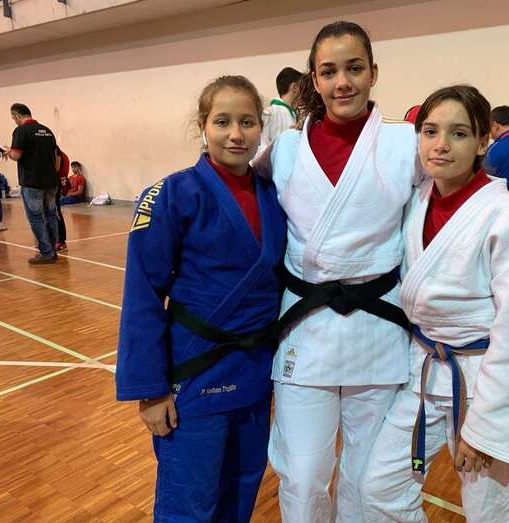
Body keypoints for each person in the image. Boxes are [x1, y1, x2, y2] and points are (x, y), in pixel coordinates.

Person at [360, 85, 509, 522]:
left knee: (487, 511)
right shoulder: (417, 200)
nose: (441, 144)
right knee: (380, 489)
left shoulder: (507, 217)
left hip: (480, 379)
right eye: (430, 131)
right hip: (423, 369)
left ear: (483, 142)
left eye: (458, 133)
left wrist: (488, 428)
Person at [255, 21, 418, 522]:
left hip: (378, 325)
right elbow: (238, 193)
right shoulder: (285, 149)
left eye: (354, 68)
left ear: (373, 72)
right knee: (303, 474)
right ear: (314, 79)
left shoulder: (405, 143)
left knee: (366, 475)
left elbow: (448, 201)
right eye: (329, 71)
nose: (342, 82)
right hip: (306, 326)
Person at [116, 75, 287, 522]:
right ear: (203, 125)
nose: (236, 134)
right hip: (194, 375)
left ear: (261, 126)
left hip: (254, 374)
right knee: (189, 504)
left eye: (247, 122)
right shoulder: (171, 194)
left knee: (241, 492)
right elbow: (142, 294)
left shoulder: (274, 194)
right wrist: (150, 391)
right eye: (223, 122)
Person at [7, 103, 60, 264]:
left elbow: (16, 155)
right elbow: (57, 156)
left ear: (17, 116)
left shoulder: (21, 131)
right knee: (51, 214)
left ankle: (46, 252)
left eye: (13, 118)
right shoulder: (47, 131)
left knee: (36, 217)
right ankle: (53, 249)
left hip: (32, 181)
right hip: (51, 181)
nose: (14, 121)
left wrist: (8, 152)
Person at [260, 67, 303, 149]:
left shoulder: (295, 115)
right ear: (295, 87)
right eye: (304, 88)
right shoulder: (269, 113)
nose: (307, 93)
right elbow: (260, 145)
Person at [54, 146, 71, 252]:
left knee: (56, 212)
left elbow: (58, 170)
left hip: (55, 186)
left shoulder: (58, 154)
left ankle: (61, 241)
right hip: (53, 185)